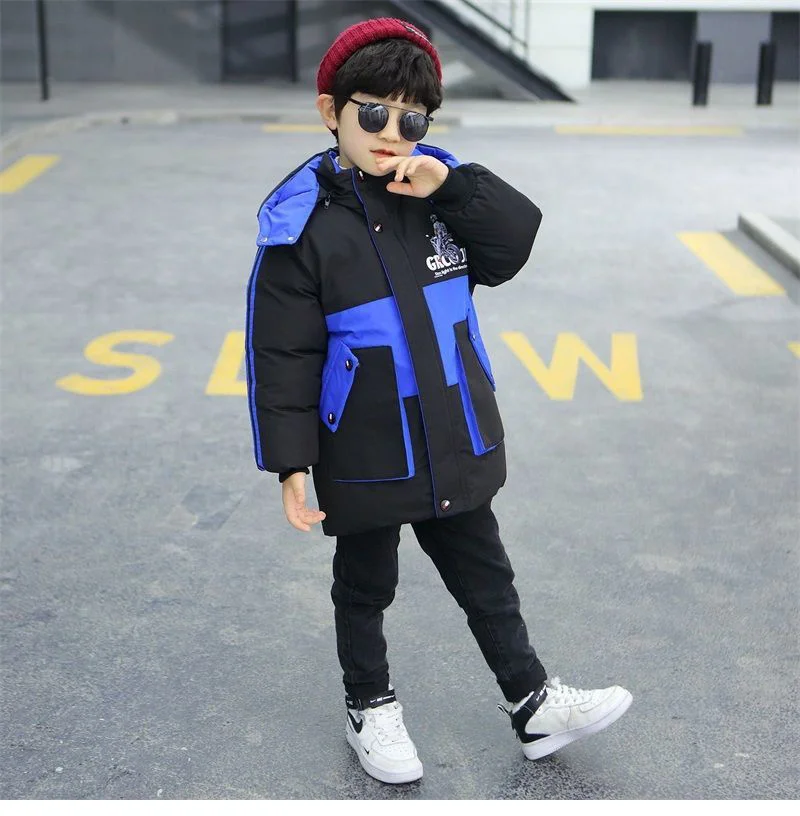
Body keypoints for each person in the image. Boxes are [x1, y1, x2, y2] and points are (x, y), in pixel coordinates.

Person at [245, 17, 632, 785]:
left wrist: (450, 185)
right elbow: (282, 355)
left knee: (486, 574)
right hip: (365, 441)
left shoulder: (435, 192)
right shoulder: (302, 226)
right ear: (330, 112)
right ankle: (370, 705)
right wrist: (291, 464)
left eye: (413, 119)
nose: (393, 134)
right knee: (366, 584)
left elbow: (513, 241)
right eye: (373, 114)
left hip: (452, 426)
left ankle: (532, 702)